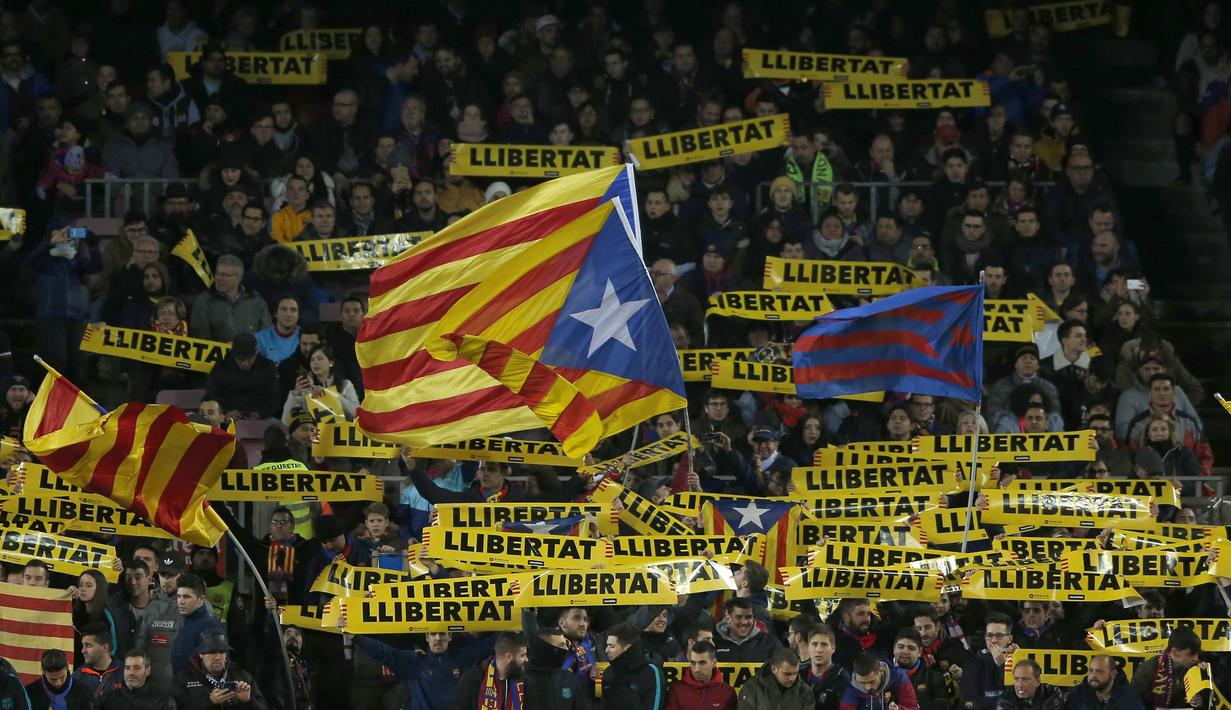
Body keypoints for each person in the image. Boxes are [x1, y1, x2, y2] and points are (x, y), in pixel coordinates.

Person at [353, 630, 491, 710]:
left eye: (442, 634)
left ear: (450, 636)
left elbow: (489, 645)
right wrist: (355, 637)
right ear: (426, 637)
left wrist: (513, 610)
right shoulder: (414, 662)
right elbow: (382, 651)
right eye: (433, 634)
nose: (438, 638)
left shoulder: (462, 659)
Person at [171, 630, 267, 710]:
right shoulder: (183, 679)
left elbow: (263, 708)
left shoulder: (242, 676)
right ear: (201, 654)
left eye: (221, 652)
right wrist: (209, 702)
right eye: (211, 652)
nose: (217, 657)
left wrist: (248, 701)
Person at [189, 254, 271, 341]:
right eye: (217, 273)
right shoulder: (204, 302)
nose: (219, 278)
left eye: (225, 275)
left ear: (238, 278)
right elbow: (200, 340)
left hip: (250, 353)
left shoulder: (256, 301)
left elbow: (267, 338)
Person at [203, 333, 282, 420]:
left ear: (257, 352)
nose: (245, 363)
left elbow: (275, 398)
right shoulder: (221, 367)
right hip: (226, 417)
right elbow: (211, 396)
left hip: (261, 418)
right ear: (233, 354)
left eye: (249, 358)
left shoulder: (267, 367)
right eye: (240, 359)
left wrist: (260, 414)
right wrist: (225, 411)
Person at [450, 632, 527, 710]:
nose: (526, 659)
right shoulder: (473, 678)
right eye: (522, 655)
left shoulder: (525, 682)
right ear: (508, 657)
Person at [1130, 627, 1201, 708]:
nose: (1196, 658)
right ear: (1174, 651)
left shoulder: (1199, 667)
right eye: (1191, 654)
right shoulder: (1148, 669)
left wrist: (1201, 701)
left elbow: (1209, 701)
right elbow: (1133, 701)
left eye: (1197, 654)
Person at [170, 574, 224, 676]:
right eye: (178, 596)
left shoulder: (210, 626)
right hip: (182, 687)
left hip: (199, 690)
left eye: (186, 597)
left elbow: (217, 668)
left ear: (201, 599)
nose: (180, 602)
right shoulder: (187, 623)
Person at [601, 623, 665, 709]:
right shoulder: (608, 672)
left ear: (627, 648)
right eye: (607, 645)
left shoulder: (652, 672)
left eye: (612, 646)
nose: (606, 650)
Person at [961, 613, 1015, 709]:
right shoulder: (973, 662)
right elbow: (970, 702)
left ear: (1009, 639)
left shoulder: (1018, 662)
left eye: (999, 635)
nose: (993, 640)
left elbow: (1019, 698)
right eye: (989, 635)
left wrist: (1003, 665)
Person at [666, 639, 735, 710]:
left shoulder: (728, 692)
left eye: (702, 663)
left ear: (713, 663)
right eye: (693, 663)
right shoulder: (676, 690)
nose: (697, 669)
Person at [738, 645, 815, 709]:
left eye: (795, 673)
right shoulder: (752, 688)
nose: (792, 678)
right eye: (787, 674)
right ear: (774, 669)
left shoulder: (805, 692)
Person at [96, 649, 176, 710]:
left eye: (137, 668)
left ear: (147, 671)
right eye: (127, 668)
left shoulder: (162, 701)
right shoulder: (107, 699)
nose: (131, 673)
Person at [892, 628, 949, 710]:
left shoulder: (933, 678)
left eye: (911, 648)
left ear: (920, 651)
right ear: (894, 649)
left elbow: (942, 706)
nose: (905, 651)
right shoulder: (883, 677)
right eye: (900, 647)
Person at [1065, 653, 1144, 710]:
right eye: (1091, 670)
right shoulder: (1076, 695)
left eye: (1099, 671)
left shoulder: (1129, 698)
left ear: (1113, 674)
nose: (1093, 675)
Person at [714, 598, 781, 663]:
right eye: (739, 617)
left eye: (748, 617)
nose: (744, 622)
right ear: (728, 618)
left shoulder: (771, 644)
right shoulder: (714, 644)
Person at [24, 649, 92, 710]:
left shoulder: (84, 692)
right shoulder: (29, 693)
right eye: (53, 679)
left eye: (62, 677)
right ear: (43, 671)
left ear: (67, 666)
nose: (58, 683)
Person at [802, 625, 849, 710]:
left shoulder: (843, 679)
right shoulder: (799, 676)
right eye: (814, 644)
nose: (819, 650)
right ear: (808, 647)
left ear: (833, 648)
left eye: (824, 645)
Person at [70, 623, 122, 697]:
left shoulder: (124, 673)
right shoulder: (77, 678)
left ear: (105, 647)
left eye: (88, 645)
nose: (83, 651)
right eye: (83, 645)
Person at [997, 659, 1063, 710]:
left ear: (1037, 681)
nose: (1019, 685)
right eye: (1016, 679)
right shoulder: (1007, 697)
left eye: (1025, 679)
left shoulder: (1052, 694)